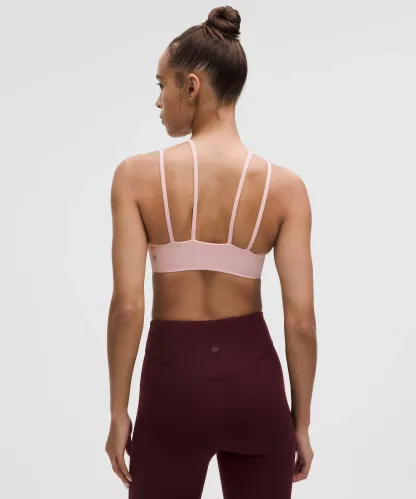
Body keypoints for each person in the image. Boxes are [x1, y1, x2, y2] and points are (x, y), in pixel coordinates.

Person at [105, 5, 317, 499]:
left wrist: (118, 411)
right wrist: (301, 423)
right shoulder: (286, 189)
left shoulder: (134, 177)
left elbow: (128, 306)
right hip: (256, 387)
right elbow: (302, 320)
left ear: (192, 87)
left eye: (162, 84)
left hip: (172, 389)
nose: (158, 100)